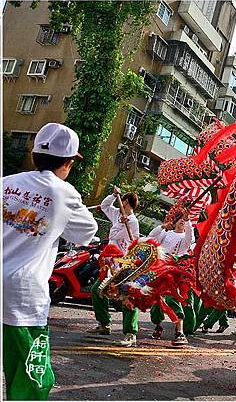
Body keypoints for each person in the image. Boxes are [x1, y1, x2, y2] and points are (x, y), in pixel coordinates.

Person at [3, 123, 98, 400]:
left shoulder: (6, 183)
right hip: (22, 297)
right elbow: (86, 233)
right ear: (68, 163)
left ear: (34, 155)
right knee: (32, 375)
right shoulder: (64, 193)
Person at [87, 186, 140, 347]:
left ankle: (131, 333)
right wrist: (112, 195)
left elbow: (127, 238)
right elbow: (104, 206)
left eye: (122, 200)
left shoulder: (133, 221)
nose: (120, 203)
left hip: (124, 263)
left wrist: (125, 224)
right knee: (97, 290)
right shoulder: (117, 214)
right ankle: (104, 324)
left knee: (127, 295)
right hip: (109, 262)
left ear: (127, 203)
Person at [148, 211, 195, 346]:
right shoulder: (166, 234)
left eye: (183, 220)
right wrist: (163, 227)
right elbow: (151, 237)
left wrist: (188, 221)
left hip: (176, 271)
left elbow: (189, 236)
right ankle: (157, 324)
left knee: (172, 298)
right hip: (160, 268)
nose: (182, 221)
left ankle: (179, 332)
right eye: (179, 219)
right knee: (156, 298)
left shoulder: (187, 239)